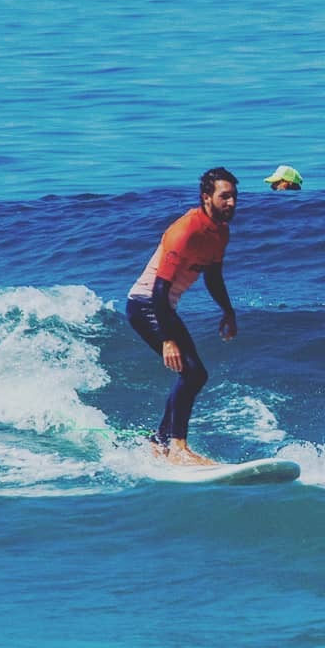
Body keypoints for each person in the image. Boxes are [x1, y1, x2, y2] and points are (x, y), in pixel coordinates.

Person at [125, 168, 240, 465]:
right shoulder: (185, 230)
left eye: (234, 197)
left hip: (163, 307)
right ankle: (176, 448)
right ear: (206, 197)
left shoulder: (220, 232)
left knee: (195, 374)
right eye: (224, 197)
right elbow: (159, 290)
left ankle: (160, 442)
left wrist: (228, 311)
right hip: (146, 304)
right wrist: (167, 340)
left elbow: (213, 276)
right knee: (192, 372)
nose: (231, 203)